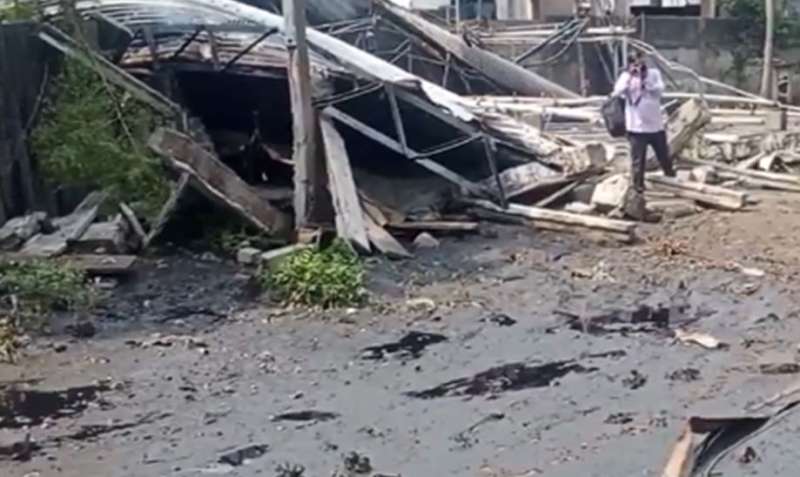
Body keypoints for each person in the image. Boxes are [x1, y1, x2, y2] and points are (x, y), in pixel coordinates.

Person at [612, 52, 675, 221]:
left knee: (664, 155)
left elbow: (659, 91)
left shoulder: (653, 74)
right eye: (634, 62)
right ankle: (638, 189)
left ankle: (672, 180)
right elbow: (617, 92)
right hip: (636, 127)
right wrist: (630, 77)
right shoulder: (625, 76)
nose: (638, 65)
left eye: (640, 61)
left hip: (655, 125)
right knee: (637, 160)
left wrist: (645, 81)